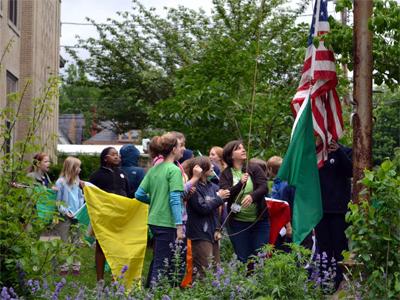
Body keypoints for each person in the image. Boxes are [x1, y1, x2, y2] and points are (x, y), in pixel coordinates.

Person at [135, 133, 185, 286]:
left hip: (154, 220)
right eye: (180, 146)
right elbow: (175, 200)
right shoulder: (174, 170)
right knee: (163, 263)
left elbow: (139, 194)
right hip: (167, 222)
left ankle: (148, 290)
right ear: (173, 149)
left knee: (158, 258)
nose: (182, 149)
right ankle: (153, 293)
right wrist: (179, 226)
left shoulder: (154, 169)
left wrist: (156, 201)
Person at [219, 140, 269, 264]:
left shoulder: (253, 168)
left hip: (260, 221)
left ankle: (259, 281)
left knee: (260, 255)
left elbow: (264, 187)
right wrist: (240, 184)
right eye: (238, 148)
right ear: (231, 155)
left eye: (243, 148)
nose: (243, 150)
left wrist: (252, 196)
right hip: (237, 223)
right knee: (243, 258)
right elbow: (226, 195)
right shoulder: (225, 174)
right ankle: (245, 282)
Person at [315, 139, 352, 290]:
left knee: (340, 248)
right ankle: (324, 285)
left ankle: (341, 283)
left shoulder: (345, 151)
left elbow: (351, 170)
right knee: (323, 249)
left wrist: (338, 151)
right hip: (319, 211)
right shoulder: (314, 153)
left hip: (339, 211)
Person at [89, 147, 130, 282]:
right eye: (113, 155)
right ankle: (99, 279)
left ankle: (115, 278)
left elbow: (128, 193)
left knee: (119, 247)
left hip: (121, 216)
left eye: (117, 154)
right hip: (104, 217)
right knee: (101, 246)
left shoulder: (122, 174)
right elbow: (90, 195)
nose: (117, 156)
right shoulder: (96, 176)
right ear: (105, 158)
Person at [185, 156, 230, 279]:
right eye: (209, 164)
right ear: (202, 169)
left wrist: (218, 228)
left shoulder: (213, 187)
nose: (213, 167)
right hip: (199, 233)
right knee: (203, 270)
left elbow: (218, 211)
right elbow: (202, 208)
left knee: (216, 269)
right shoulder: (193, 188)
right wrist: (219, 198)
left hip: (213, 232)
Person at [54, 156, 85, 275]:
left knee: (77, 241)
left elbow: (80, 197)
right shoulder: (60, 182)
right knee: (64, 241)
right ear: (71, 168)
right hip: (65, 217)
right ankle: (64, 266)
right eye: (78, 167)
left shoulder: (77, 181)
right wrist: (65, 211)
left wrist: (79, 210)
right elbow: (58, 201)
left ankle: (76, 266)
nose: (80, 169)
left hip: (77, 216)